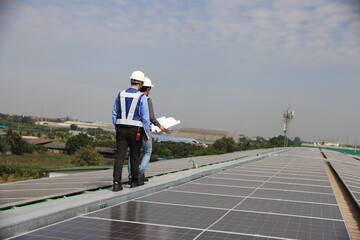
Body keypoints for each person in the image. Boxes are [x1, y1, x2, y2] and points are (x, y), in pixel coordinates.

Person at [112, 70, 151, 191]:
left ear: (131, 81)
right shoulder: (141, 97)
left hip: (121, 129)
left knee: (120, 156)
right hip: (136, 131)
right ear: (141, 83)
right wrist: (147, 133)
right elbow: (145, 117)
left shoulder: (120, 94)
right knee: (135, 155)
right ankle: (134, 181)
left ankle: (117, 183)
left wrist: (117, 127)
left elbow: (114, 113)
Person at [128, 77, 166, 183]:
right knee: (147, 151)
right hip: (144, 130)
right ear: (148, 89)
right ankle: (141, 172)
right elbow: (151, 117)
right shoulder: (147, 100)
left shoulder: (135, 98)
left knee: (133, 153)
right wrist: (160, 126)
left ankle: (131, 175)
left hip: (133, 129)